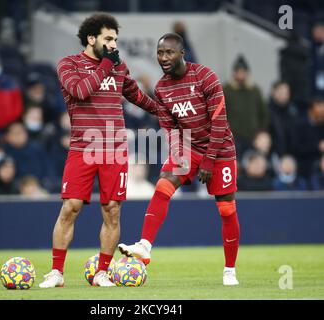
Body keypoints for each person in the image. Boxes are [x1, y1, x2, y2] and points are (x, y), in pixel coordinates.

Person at [39, 13, 157, 288]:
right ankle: (56, 272)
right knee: (71, 207)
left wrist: (164, 111)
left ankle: (103, 272)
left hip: (114, 149)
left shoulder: (118, 67)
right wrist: (106, 65)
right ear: (91, 39)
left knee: (112, 210)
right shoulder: (69, 65)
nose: (114, 44)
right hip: (83, 146)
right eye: (108, 38)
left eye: (115, 39)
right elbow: (80, 91)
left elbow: (136, 95)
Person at [118, 33, 240, 286]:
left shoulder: (206, 77)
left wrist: (208, 161)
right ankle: (145, 245)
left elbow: (219, 123)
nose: (163, 58)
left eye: (169, 52)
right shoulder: (161, 88)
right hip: (188, 146)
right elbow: (170, 128)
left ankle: (229, 270)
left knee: (226, 209)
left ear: (182, 54)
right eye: (160, 53)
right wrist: (178, 156)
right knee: (164, 183)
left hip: (220, 149)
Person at [223, 55, 269, 158]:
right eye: (239, 71)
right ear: (234, 73)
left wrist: (261, 132)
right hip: (233, 138)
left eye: (243, 71)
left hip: (253, 137)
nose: (241, 74)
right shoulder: (226, 91)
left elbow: (263, 113)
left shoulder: (254, 91)